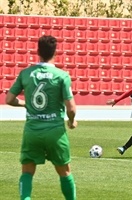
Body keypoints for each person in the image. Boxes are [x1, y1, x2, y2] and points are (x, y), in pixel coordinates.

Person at [5, 35, 77, 200]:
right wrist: (72, 121)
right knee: (64, 171)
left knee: (27, 171)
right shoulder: (61, 76)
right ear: (55, 52)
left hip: (32, 132)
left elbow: (9, 99)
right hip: (55, 132)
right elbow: (71, 107)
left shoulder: (26, 74)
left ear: (37, 51)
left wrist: (25, 104)